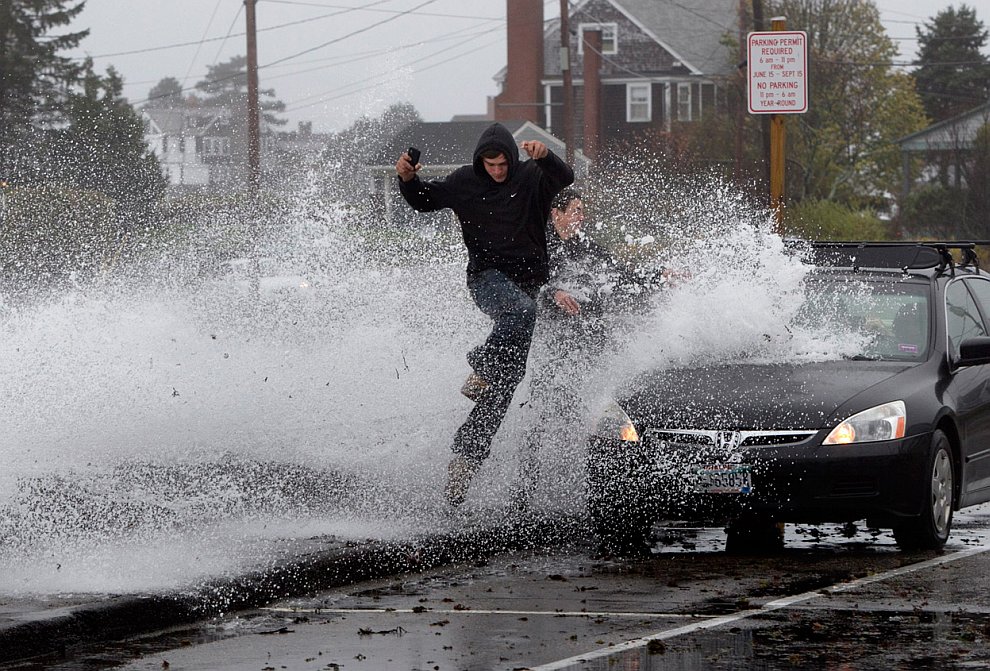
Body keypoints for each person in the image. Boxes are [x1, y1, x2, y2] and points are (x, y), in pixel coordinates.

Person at [394, 122, 574, 506]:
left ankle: (464, 463)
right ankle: (481, 366)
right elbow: (424, 200)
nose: (497, 171)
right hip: (486, 279)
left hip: (528, 284)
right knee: (520, 313)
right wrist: (407, 180)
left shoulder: (531, 177)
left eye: (502, 164)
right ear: (480, 162)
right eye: (490, 165)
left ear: (512, 159)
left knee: (504, 387)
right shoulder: (465, 181)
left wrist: (546, 156)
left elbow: (565, 177)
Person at [516, 189, 668, 509]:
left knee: (588, 416)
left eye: (583, 211)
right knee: (539, 416)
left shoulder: (585, 247)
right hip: (553, 348)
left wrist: (660, 276)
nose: (582, 217)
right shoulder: (539, 246)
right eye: (576, 210)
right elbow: (525, 282)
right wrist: (554, 293)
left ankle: (582, 488)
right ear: (556, 214)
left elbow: (622, 276)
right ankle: (524, 491)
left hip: (589, 345)